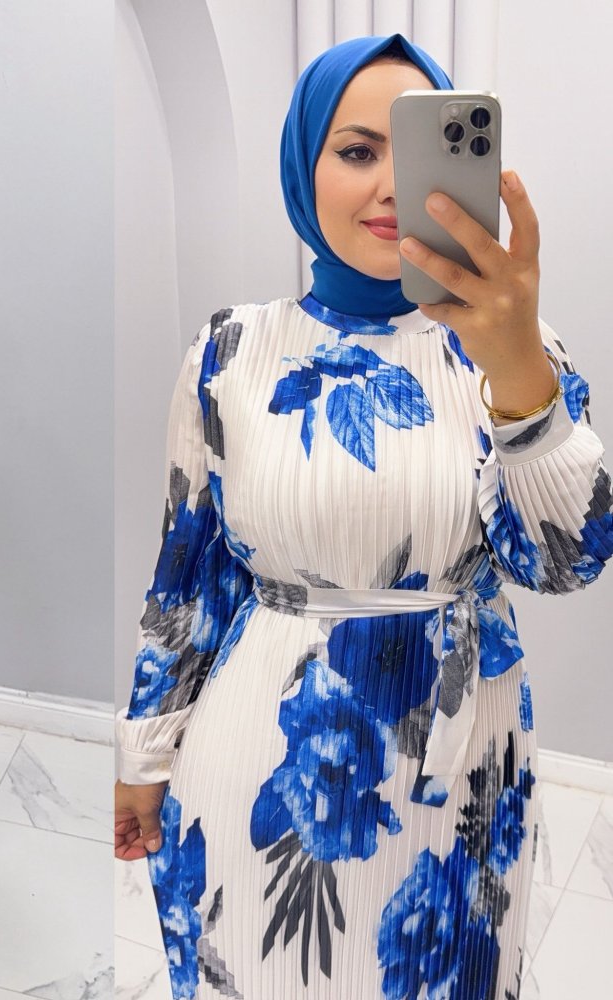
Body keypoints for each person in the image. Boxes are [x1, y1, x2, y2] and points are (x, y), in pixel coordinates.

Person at [114, 34, 612, 1000]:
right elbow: (188, 577)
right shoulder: (231, 349)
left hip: (462, 774)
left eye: (417, 150)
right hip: (269, 758)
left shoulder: (518, 347)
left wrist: (516, 366)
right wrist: (145, 752)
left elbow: (567, 563)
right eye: (355, 151)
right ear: (304, 169)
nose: (391, 185)